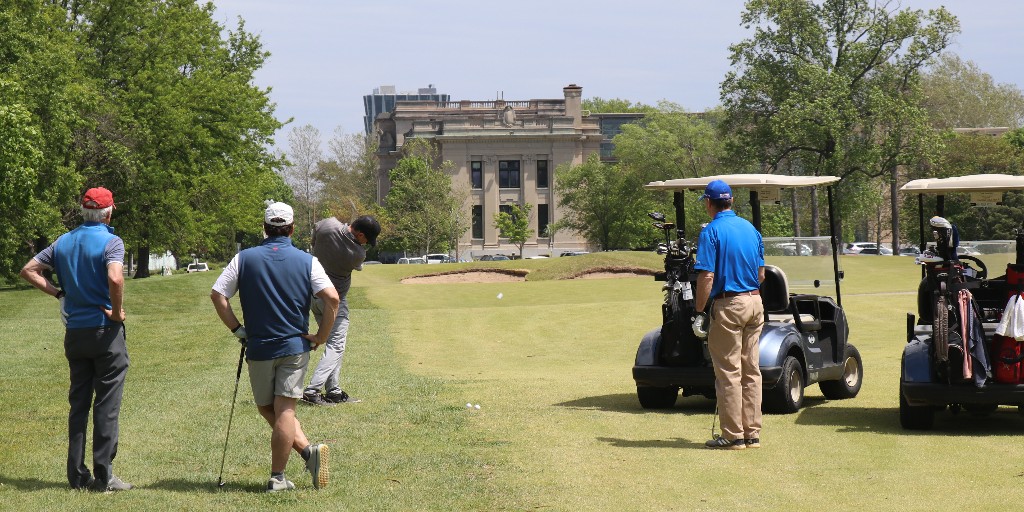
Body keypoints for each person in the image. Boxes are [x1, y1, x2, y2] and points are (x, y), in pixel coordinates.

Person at [210, 202, 340, 492]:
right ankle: (297, 461)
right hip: (294, 347)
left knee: (270, 408)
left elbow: (218, 295)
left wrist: (237, 329)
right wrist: (321, 336)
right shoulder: (307, 261)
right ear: (292, 229)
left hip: (259, 347)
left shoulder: (244, 258)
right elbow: (332, 299)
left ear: (264, 228)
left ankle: (288, 469)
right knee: (282, 410)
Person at [19, 187, 132, 491]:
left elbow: (29, 270)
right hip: (105, 332)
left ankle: (77, 475)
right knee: (107, 404)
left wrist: (60, 294)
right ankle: (104, 476)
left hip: (75, 333)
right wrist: (118, 311)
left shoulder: (63, 242)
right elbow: (115, 277)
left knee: (79, 403)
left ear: (84, 211)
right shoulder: (112, 241)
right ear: (109, 211)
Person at [692, 180, 766, 450]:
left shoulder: (711, 232)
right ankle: (752, 434)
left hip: (729, 305)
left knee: (729, 372)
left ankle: (733, 436)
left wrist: (699, 310)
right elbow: (761, 275)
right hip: (755, 302)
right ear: (732, 201)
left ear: (709, 204)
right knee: (751, 371)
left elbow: (707, 276)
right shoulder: (750, 229)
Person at [301, 215, 380, 406]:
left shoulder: (327, 224)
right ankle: (312, 390)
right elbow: (358, 267)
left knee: (334, 345)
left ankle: (333, 391)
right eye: (367, 240)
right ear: (360, 234)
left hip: (313, 295)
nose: (367, 244)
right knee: (336, 345)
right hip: (334, 302)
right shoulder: (357, 253)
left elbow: (314, 240)